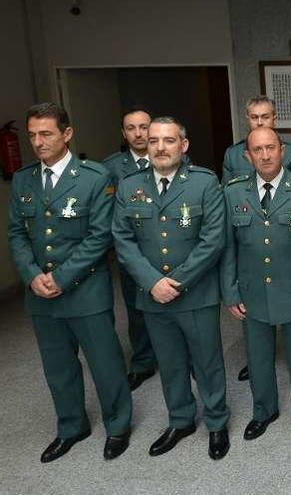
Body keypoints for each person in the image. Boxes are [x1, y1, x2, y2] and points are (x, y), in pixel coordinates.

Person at [8, 102, 132, 462]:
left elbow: (99, 236)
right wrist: (32, 276)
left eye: (45, 133)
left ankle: (118, 426)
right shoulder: (23, 179)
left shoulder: (93, 178)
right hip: (41, 296)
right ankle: (71, 426)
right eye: (32, 135)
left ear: (67, 134)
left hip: (85, 290)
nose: (38, 142)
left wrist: (61, 277)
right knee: (58, 365)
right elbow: (17, 233)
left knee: (105, 363)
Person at [112, 116, 231, 460]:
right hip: (153, 297)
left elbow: (213, 240)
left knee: (207, 362)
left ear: (184, 145)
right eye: (153, 141)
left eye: (168, 140)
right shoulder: (129, 186)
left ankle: (216, 422)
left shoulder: (205, 183)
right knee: (171, 362)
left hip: (195, 294)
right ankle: (180, 420)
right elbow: (122, 239)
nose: (160, 148)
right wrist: (153, 283)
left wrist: (175, 282)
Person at [220, 127, 291, 443]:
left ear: (282, 150)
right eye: (257, 149)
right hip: (252, 290)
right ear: (247, 155)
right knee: (258, 357)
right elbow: (228, 248)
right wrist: (230, 291)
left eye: (271, 148)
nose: (265, 155)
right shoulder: (233, 192)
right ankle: (263, 411)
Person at [221, 96, 291, 382]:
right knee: (256, 335)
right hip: (251, 246)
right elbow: (227, 215)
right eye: (254, 117)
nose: (265, 155)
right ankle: (258, 366)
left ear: (274, 119)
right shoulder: (233, 156)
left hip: (286, 249)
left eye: (264, 116)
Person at [102, 106, 158, 391]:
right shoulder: (110, 167)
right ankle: (143, 361)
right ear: (123, 133)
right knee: (136, 309)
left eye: (144, 126)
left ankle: (175, 356)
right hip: (132, 252)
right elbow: (108, 214)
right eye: (131, 128)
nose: (138, 133)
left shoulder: (173, 158)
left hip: (165, 249)